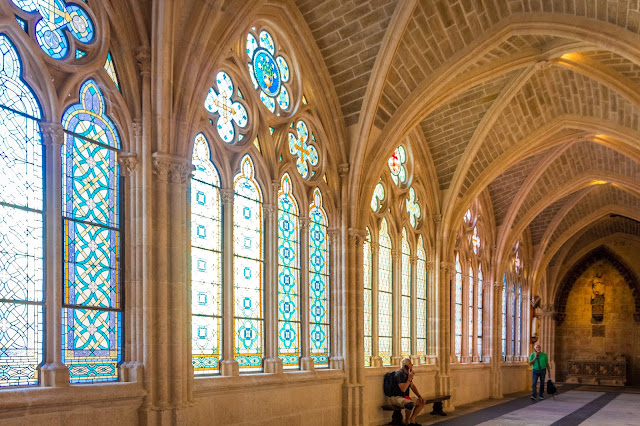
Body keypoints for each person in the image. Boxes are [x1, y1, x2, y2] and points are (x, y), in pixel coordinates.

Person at [388, 358, 426, 426]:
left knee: (422, 401)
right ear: (406, 366)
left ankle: (412, 420)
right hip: (396, 398)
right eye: (410, 363)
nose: (412, 364)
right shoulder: (399, 374)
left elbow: (412, 386)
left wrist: (419, 396)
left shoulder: (407, 374)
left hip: (405, 397)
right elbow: (403, 389)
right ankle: (407, 422)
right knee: (410, 404)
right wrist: (409, 379)